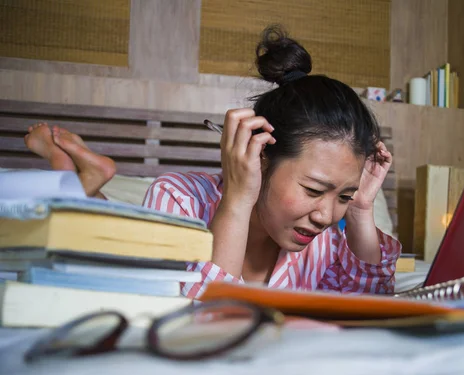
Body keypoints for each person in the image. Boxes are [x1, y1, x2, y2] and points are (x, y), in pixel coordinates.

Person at [24, 25, 402, 298]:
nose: (324, 215)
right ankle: (71, 171)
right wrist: (237, 199)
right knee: (82, 243)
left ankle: (89, 179)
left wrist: (361, 208)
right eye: (314, 189)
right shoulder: (179, 199)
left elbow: (368, 302)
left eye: (343, 195)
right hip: (147, 250)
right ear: (262, 158)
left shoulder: (323, 243)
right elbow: (196, 315)